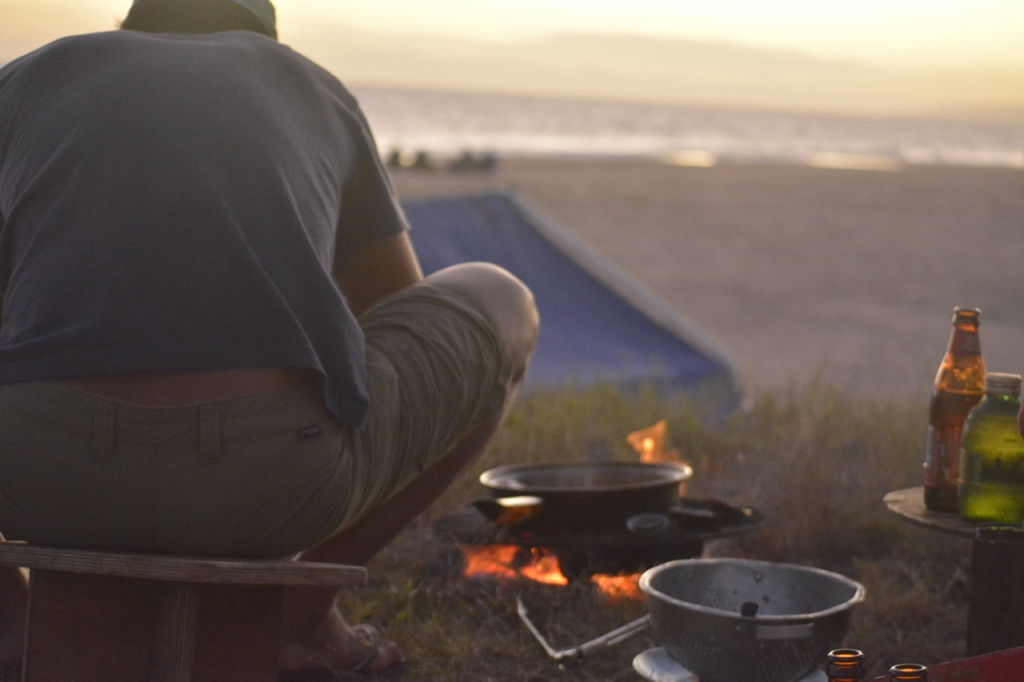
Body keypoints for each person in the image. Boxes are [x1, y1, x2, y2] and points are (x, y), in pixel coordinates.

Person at [0, 0, 539, 678]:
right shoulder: (307, 84)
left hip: (36, 474)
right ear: (263, 37)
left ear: (126, 31)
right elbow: (399, 308)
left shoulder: (25, 80)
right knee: (501, 299)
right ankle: (300, 616)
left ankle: (11, 627)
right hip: (274, 481)